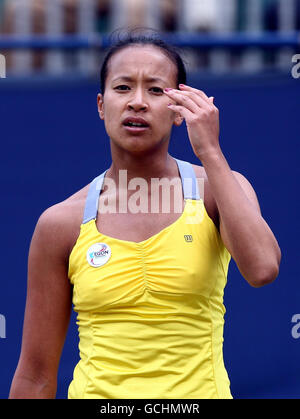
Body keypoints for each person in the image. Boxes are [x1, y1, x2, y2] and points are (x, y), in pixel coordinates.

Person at [9, 29, 281, 399]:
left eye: (155, 90)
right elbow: (35, 376)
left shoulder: (218, 189)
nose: (137, 102)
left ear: (179, 108)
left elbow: (263, 268)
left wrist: (211, 153)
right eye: (123, 88)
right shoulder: (60, 223)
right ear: (102, 105)